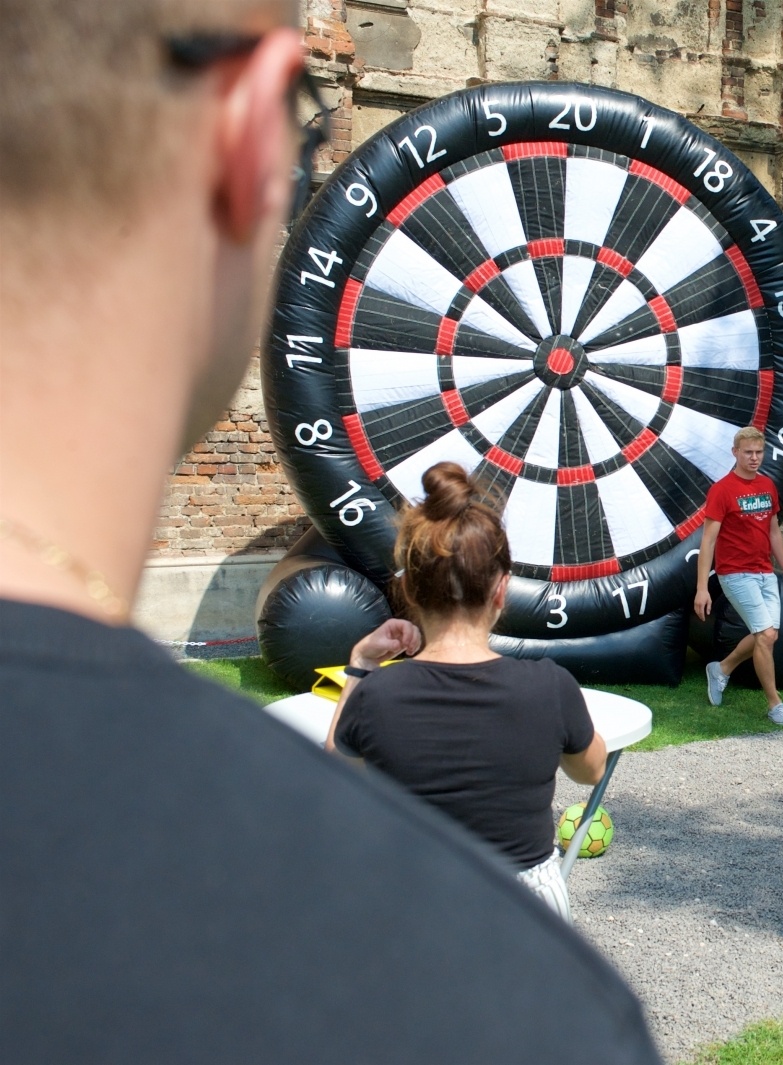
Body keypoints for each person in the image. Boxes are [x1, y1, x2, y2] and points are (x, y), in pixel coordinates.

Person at [0, 3, 658, 1059]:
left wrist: (350, 673)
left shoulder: (369, 710)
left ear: (410, 580)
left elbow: (352, 767)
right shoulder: (539, 1007)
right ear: (246, 132)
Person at [326, 462, 608, 922]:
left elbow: (333, 772)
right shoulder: (549, 686)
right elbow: (592, 771)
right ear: (501, 590)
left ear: (411, 591)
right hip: (527, 909)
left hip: (410, 900)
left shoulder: (376, 694)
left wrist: (360, 664)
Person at [694, 425, 783, 726]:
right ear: (735, 453)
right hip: (735, 574)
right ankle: (775, 704)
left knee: (768, 636)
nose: (754, 458)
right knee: (766, 635)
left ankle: (721, 669)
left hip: (765, 572)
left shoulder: (767, 486)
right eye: (748, 453)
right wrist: (702, 587)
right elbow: (708, 541)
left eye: (759, 452)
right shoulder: (722, 490)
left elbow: (774, 532)